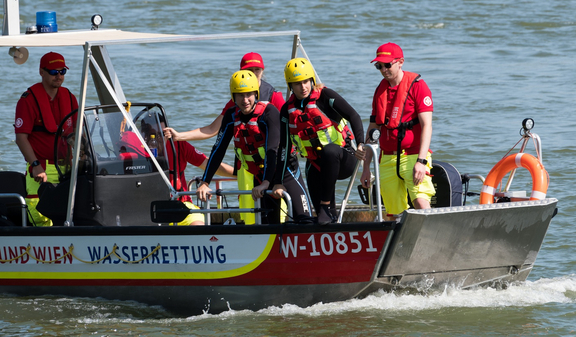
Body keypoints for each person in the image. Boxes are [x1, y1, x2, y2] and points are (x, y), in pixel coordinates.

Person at [274, 58, 365, 225]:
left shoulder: (325, 96)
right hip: (317, 165)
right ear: (290, 86)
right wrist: (278, 182)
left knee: (329, 151)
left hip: (344, 157)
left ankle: (324, 206)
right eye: (297, 83)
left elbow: (354, 116)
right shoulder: (287, 111)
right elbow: (284, 148)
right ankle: (328, 220)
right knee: (324, 219)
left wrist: (360, 143)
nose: (303, 87)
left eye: (306, 81)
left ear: (312, 80)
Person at [196, 70, 284, 224]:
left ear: (256, 94)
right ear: (233, 96)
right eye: (240, 95)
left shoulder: (269, 112)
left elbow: (272, 151)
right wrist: (205, 182)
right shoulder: (231, 116)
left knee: (298, 217)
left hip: (281, 173)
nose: (245, 100)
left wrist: (267, 182)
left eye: (249, 94)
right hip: (260, 175)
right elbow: (218, 150)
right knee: (265, 222)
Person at [359, 42, 435, 219]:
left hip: (413, 155)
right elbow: (373, 130)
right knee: (393, 213)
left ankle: (434, 241)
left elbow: (427, 126)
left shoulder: (418, 86)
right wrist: (365, 167)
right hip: (387, 158)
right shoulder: (380, 90)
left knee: (421, 201)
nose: (383, 70)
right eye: (379, 66)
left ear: (400, 62)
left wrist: (421, 162)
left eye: (387, 65)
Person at [14, 52, 78, 227]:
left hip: (67, 167)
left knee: (71, 217)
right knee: (40, 218)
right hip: (41, 169)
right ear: (41, 72)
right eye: (53, 71)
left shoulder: (70, 98)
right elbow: (21, 138)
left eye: (62, 71)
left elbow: (77, 133)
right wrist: (35, 166)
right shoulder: (28, 101)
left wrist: (83, 154)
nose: (59, 76)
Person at [165, 52, 285, 141]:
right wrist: (179, 136)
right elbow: (213, 129)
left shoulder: (274, 96)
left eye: (257, 70)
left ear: (262, 71)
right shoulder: (237, 100)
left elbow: (288, 129)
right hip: (249, 159)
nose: (253, 74)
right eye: (249, 70)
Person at [159, 116, 235, 226]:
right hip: (149, 207)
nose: (159, 138)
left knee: (198, 225)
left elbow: (209, 164)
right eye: (153, 134)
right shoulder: (137, 149)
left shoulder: (179, 144)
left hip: (181, 205)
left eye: (163, 133)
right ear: (143, 135)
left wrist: (239, 174)